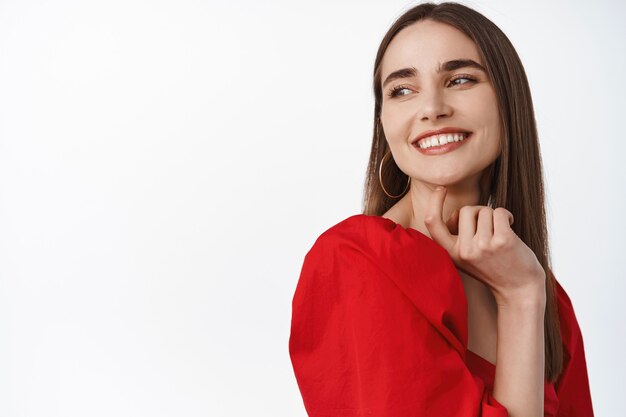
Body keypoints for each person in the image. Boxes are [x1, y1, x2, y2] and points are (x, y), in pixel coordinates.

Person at [288, 2, 594, 417]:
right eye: (402, 89)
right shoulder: (356, 262)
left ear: (509, 102)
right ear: (384, 122)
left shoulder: (546, 297)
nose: (431, 107)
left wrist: (524, 295)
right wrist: (519, 301)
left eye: (461, 79)